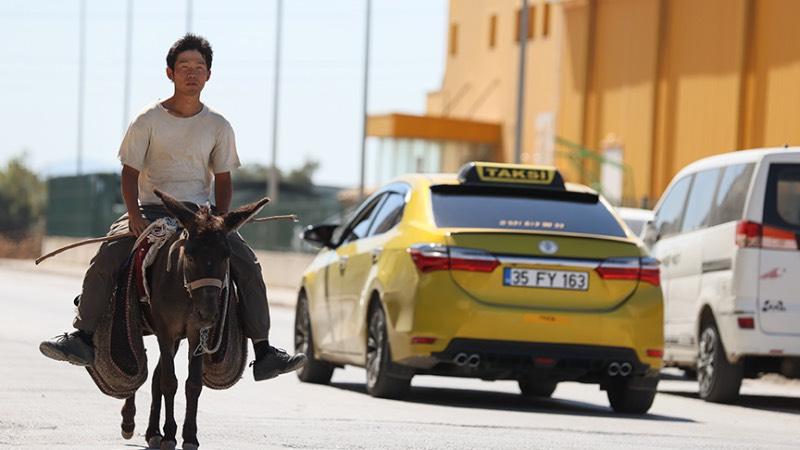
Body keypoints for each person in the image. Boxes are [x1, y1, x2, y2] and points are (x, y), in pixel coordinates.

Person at [39, 33, 306, 381]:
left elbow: (223, 179)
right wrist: (133, 216)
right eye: (184, 67)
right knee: (107, 256)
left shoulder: (218, 126)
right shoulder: (147, 120)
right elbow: (130, 172)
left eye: (199, 67)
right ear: (170, 73)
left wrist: (222, 224)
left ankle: (264, 351)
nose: (191, 73)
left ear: (209, 74)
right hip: (151, 211)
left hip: (200, 217)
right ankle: (82, 336)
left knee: (248, 266)